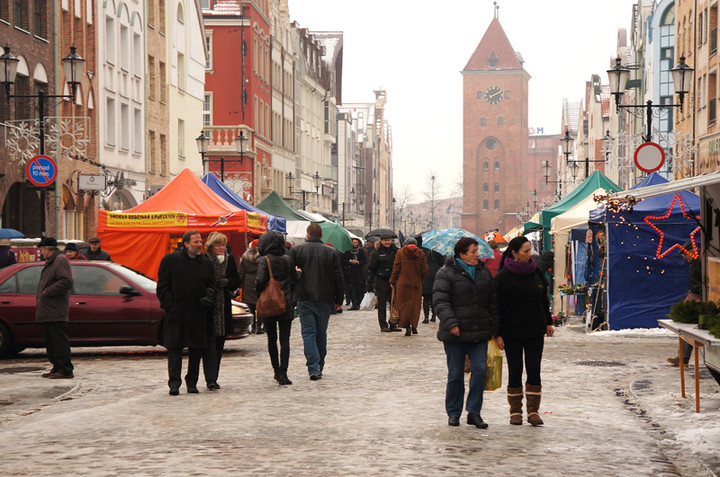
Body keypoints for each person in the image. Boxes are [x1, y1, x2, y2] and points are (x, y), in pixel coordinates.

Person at [433, 237, 499, 428]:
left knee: (480, 371)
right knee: (455, 375)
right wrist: (451, 323)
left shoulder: (484, 272)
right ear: (462, 254)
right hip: (455, 334)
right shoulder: (445, 274)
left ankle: (474, 412)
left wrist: (495, 329)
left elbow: (492, 302)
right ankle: (453, 413)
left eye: (477, 251)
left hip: (479, 333)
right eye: (473, 251)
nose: (478, 254)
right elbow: (440, 302)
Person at [494, 236, 554, 426]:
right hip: (511, 331)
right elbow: (496, 307)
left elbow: (543, 299)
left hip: (535, 329)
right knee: (515, 370)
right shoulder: (503, 277)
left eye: (530, 251)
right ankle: (515, 412)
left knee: (534, 369)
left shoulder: (536, 271)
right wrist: (497, 333)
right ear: (514, 253)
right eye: (525, 251)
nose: (530, 255)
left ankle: (533, 411)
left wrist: (548, 322)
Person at [157, 230, 215, 396]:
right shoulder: (170, 261)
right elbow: (162, 287)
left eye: (200, 242)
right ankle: (174, 383)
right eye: (196, 242)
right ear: (186, 244)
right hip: (176, 312)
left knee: (196, 349)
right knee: (174, 349)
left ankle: (192, 382)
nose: (199, 245)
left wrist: (209, 297)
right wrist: (170, 306)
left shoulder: (205, 263)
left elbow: (212, 285)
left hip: (198, 313)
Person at [289, 223, 344, 380]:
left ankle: (313, 367)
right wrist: (339, 299)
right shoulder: (331, 252)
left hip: (304, 296)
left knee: (308, 332)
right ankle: (319, 364)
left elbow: (290, 274)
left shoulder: (297, 251)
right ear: (321, 236)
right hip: (325, 298)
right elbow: (338, 278)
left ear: (307, 234)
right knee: (321, 333)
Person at [256, 231, 298, 385]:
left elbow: (260, 281)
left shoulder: (264, 260)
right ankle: (284, 372)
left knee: (272, 339)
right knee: (285, 340)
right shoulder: (287, 259)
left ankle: (276, 371)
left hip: (269, 303)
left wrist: (258, 292)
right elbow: (295, 278)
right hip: (285, 303)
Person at [203, 232, 240, 390]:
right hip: (209, 307)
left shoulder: (229, 259)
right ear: (211, 246)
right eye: (218, 245)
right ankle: (210, 378)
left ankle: (214, 377)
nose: (221, 248)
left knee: (219, 344)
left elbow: (236, 280)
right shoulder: (205, 260)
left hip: (223, 306)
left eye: (223, 245)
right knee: (209, 344)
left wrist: (228, 282)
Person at [36, 237, 75, 379]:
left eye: (42, 250)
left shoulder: (60, 260)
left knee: (58, 340)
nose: (41, 253)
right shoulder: (52, 261)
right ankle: (57, 366)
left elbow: (66, 281)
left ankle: (65, 369)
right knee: (51, 341)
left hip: (56, 308)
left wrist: (47, 292)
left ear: (48, 249)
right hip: (49, 308)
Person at [667, 242, 702, 367]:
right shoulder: (694, 264)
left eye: (685, 255)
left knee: (687, 326)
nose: (685, 259)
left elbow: (703, 282)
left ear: (691, 251)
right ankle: (683, 357)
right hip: (695, 297)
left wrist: (695, 293)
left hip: (699, 300)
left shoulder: (699, 264)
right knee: (685, 326)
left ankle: (683, 358)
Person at [390, 237, 428, 336]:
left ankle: (407, 327)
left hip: (403, 283)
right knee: (415, 305)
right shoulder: (421, 253)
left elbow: (396, 268)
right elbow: (425, 270)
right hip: (416, 284)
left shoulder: (400, 253)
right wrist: (420, 279)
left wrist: (392, 280)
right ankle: (414, 325)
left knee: (403, 305)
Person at [368, 233, 401, 332]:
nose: (387, 242)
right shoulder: (376, 253)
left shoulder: (396, 251)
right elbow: (372, 269)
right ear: (381, 241)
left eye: (389, 240)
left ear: (391, 241)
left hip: (394, 281)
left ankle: (393, 323)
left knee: (394, 303)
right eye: (385, 240)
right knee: (382, 304)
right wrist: (370, 284)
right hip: (382, 280)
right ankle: (383, 325)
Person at [239, 239, 263, 334]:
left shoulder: (244, 257)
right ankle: (259, 327)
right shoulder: (263, 257)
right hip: (259, 281)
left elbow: (241, 273)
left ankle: (252, 326)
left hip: (248, 282)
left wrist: (241, 285)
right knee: (260, 306)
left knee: (250, 306)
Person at [420, 237, 443, 324]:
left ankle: (426, 317)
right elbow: (442, 262)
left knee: (426, 297)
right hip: (436, 273)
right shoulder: (438, 250)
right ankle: (433, 315)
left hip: (426, 273)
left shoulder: (423, 250)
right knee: (433, 296)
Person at [342, 238, 366, 310]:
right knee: (352, 289)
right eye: (353, 242)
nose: (355, 244)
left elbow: (364, 261)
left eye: (356, 242)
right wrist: (350, 261)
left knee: (359, 289)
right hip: (350, 272)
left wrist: (358, 262)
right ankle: (354, 304)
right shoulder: (348, 251)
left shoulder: (361, 251)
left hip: (359, 272)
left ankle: (359, 303)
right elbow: (344, 260)